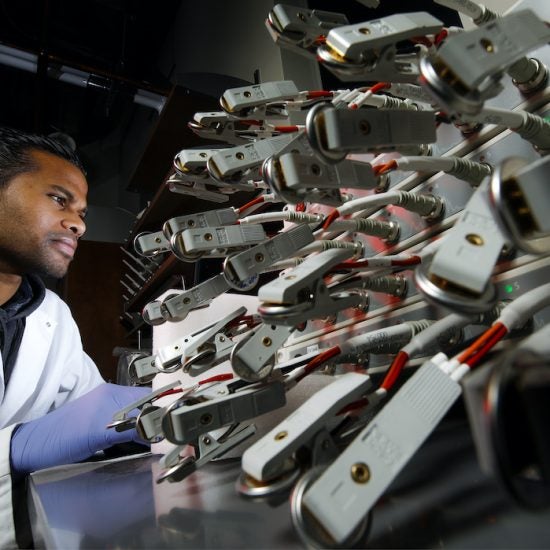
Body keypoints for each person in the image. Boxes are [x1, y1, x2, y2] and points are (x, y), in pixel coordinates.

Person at [0, 127, 150, 548]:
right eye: (59, 199)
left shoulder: (53, 316)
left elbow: (93, 414)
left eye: (82, 212)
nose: (78, 225)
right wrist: (12, 450)